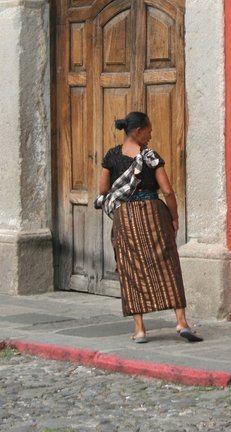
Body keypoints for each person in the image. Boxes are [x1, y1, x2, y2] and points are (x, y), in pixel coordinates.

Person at [97, 111, 202, 344]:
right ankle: (181, 321)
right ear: (138, 132)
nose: (151, 134)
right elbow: (168, 191)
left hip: (126, 217)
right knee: (168, 264)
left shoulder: (111, 156)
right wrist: (174, 217)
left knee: (131, 267)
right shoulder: (151, 156)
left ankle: (140, 329)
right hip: (154, 213)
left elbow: (103, 189)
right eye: (149, 131)